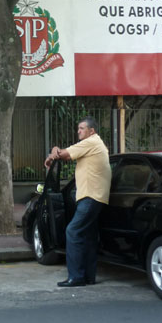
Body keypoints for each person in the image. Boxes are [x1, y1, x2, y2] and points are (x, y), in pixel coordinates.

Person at [44, 116, 112, 288]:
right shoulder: (95, 144)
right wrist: (56, 154)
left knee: (73, 232)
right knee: (88, 236)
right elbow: (66, 157)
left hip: (90, 196)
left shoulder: (91, 142)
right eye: (78, 128)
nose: (78, 131)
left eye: (82, 128)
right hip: (95, 196)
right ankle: (89, 276)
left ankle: (76, 277)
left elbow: (64, 154)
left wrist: (54, 150)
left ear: (91, 131)